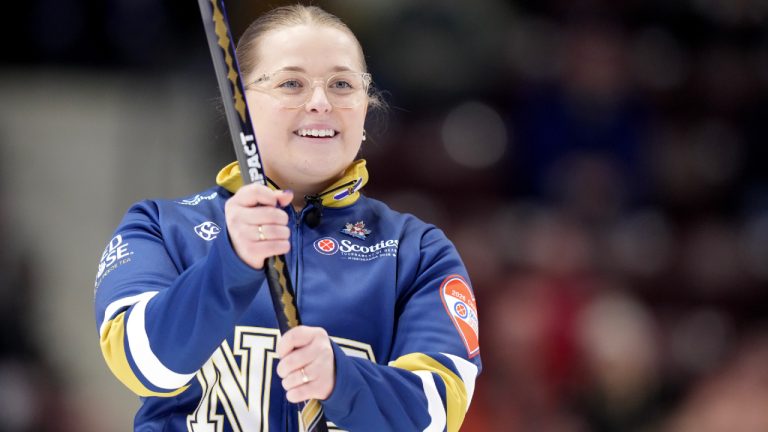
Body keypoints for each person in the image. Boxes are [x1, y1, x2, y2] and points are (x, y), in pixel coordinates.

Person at [93, 5, 481, 431]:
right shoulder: (161, 228)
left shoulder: (418, 251)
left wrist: (342, 379)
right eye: (292, 83)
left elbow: (438, 414)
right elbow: (145, 364)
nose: (320, 102)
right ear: (238, 99)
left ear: (366, 107)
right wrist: (229, 266)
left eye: (342, 84)